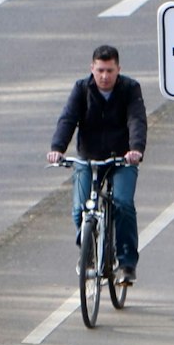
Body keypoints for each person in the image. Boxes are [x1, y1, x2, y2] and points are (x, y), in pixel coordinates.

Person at [46, 43, 147, 286]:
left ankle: (125, 263)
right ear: (92, 68)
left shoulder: (130, 89)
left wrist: (135, 150)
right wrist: (57, 149)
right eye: (100, 70)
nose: (104, 76)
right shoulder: (82, 89)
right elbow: (68, 118)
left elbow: (137, 119)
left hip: (121, 158)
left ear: (118, 69)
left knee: (122, 203)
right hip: (89, 157)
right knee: (80, 209)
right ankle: (88, 253)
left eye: (110, 71)